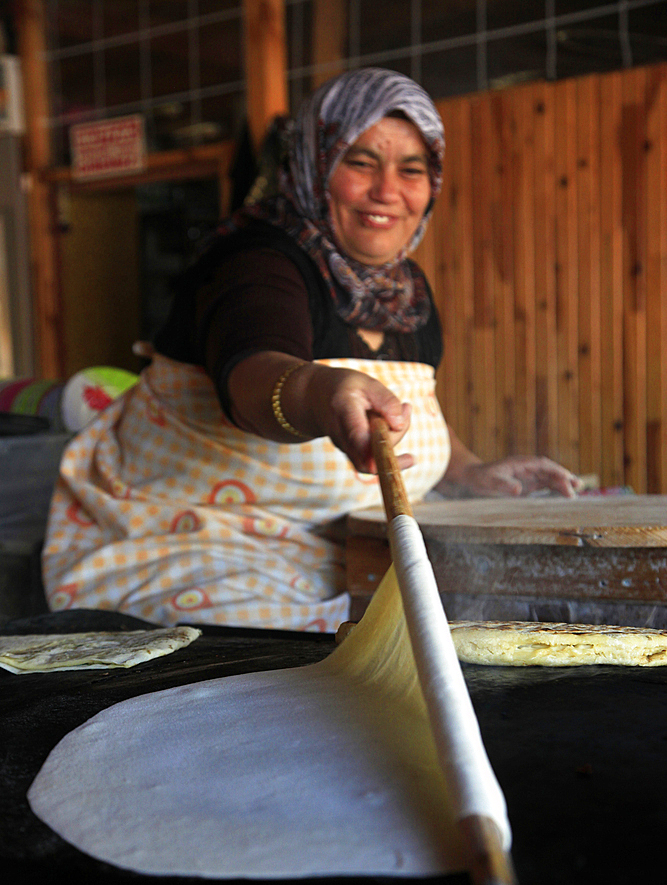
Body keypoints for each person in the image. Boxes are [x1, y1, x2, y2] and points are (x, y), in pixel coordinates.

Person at [42, 68, 581, 632]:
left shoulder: (406, 294)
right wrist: (323, 393)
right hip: (205, 541)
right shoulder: (257, 261)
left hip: (349, 544)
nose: (387, 191)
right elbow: (254, 374)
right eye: (361, 161)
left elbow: (415, 411)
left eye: (411, 170)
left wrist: (471, 472)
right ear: (314, 163)